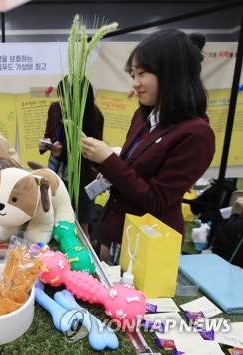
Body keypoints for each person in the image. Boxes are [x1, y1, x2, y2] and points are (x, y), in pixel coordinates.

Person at [81, 29, 215, 264]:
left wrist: (109, 161)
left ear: (171, 73)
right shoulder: (144, 117)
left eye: (141, 73)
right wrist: (104, 162)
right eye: (132, 74)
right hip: (115, 231)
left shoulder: (196, 134)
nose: (135, 83)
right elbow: (132, 172)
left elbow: (156, 200)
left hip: (147, 245)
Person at [38, 78, 104, 239]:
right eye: (62, 97)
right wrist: (46, 144)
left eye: (68, 99)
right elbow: (49, 135)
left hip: (83, 178)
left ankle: (83, 259)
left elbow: (91, 154)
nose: (64, 103)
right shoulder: (55, 109)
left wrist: (63, 153)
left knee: (82, 223)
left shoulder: (94, 117)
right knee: (53, 217)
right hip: (57, 172)